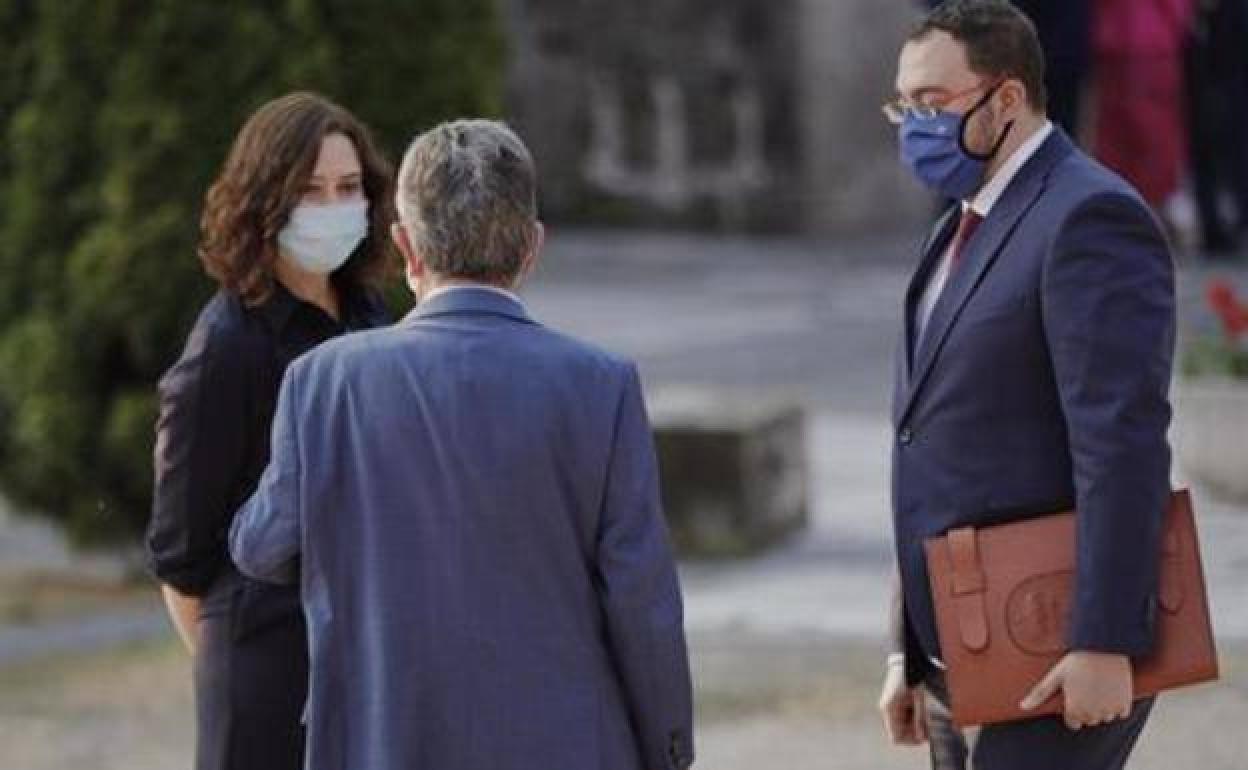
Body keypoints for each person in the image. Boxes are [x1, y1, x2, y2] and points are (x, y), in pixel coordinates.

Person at [229, 119, 695, 770]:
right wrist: (670, 748)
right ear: (531, 248)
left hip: (382, 738)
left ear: (405, 247)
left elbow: (260, 546)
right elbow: (642, 602)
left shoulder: (322, 382)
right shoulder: (600, 385)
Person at [878, 2, 1175, 769]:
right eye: (904, 106)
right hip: (961, 646)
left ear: (1007, 98)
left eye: (934, 104)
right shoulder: (957, 222)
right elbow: (926, 440)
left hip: (1053, 639)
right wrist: (904, 653)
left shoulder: (1090, 216)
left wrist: (1106, 638)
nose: (915, 125)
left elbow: (1122, 442)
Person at [145, 91, 393, 770]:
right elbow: (182, 557)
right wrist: (240, 673)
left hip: (367, 653)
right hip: (265, 661)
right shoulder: (228, 346)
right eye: (309, 191)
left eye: (348, 188)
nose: (333, 206)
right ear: (265, 201)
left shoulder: (371, 317)